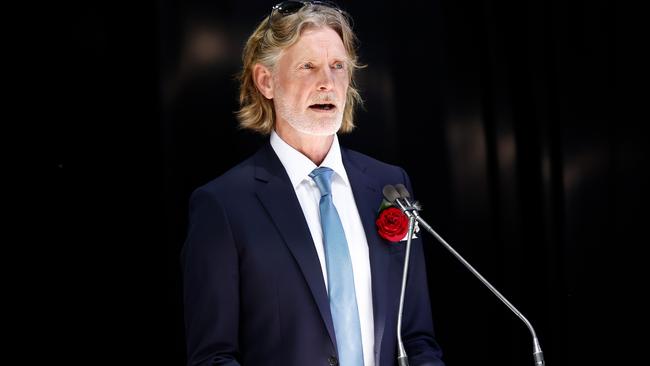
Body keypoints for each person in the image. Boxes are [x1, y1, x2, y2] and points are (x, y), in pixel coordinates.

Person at [181, 2, 445, 365]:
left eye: (338, 66)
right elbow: (213, 357)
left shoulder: (389, 186)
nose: (327, 82)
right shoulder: (223, 205)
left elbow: (417, 339)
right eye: (308, 66)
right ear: (266, 81)